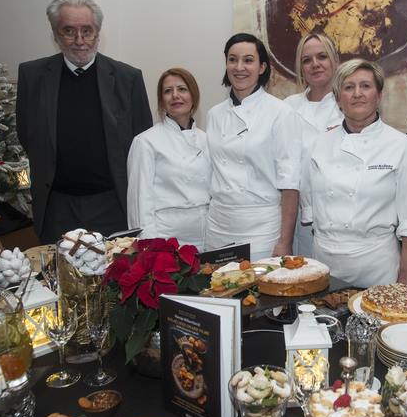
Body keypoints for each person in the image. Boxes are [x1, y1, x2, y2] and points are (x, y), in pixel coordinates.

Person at [16, 0, 152, 244]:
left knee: (114, 278)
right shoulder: (32, 76)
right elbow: (27, 134)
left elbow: (143, 141)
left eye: (87, 31)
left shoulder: (127, 78)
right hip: (57, 206)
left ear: (98, 33)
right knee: (58, 280)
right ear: (56, 34)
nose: (79, 40)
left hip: (113, 205)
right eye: (69, 31)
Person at [301, 59, 407, 288]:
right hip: (324, 266)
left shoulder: (402, 147)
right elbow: (310, 210)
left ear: (379, 95)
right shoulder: (318, 145)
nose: (357, 94)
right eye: (349, 87)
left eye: (366, 86)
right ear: (338, 98)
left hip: (377, 268)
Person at [205, 33, 301, 260]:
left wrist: (285, 242)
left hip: (261, 228)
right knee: (216, 292)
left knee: (257, 293)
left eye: (248, 60)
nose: (239, 67)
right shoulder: (214, 114)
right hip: (218, 225)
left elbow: (290, 183)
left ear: (261, 67)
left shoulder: (280, 113)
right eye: (232, 59)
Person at [126, 68, 211, 248]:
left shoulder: (207, 140)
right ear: (161, 100)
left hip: (207, 238)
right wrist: (150, 248)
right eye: (167, 91)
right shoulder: (146, 142)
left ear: (193, 95)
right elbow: (139, 204)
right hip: (166, 240)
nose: (175, 96)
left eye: (182, 89)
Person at [285, 32, 343, 255]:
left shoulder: (349, 105)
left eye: (322, 56)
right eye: (306, 60)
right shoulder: (288, 108)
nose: (315, 64)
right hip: (300, 219)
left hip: (341, 215)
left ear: (335, 60)